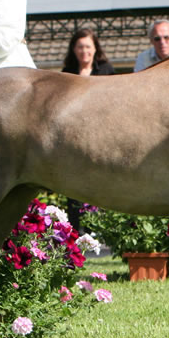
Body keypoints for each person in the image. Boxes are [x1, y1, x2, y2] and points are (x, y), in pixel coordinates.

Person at [61, 28, 114, 230]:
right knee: (73, 184)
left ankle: (97, 231)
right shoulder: (66, 74)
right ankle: (74, 231)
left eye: (88, 47)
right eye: (80, 47)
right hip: (73, 138)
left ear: (95, 49)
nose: (84, 51)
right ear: (74, 49)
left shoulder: (107, 71)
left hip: (102, 136)